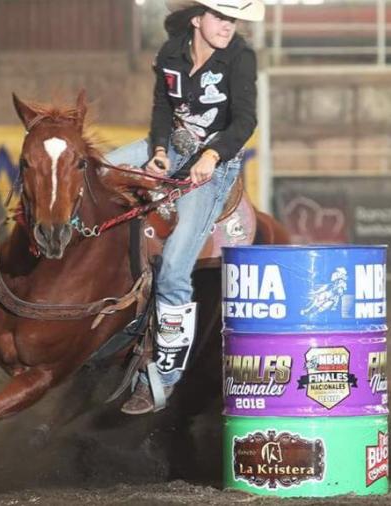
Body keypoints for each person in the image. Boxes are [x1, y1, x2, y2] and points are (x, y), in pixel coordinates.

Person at [106, 0, 263, 415]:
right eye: (221, 17)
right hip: (172, 147)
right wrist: (158, 150)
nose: (228, 26)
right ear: (197, 19)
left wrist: (211, 156)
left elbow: (245, 121)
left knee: (175, 267)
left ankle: (162, 378)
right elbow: (162, 108)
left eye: (233, 19)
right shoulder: (170, 54)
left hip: (216, 163)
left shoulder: (240, 58)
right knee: (100, 173)